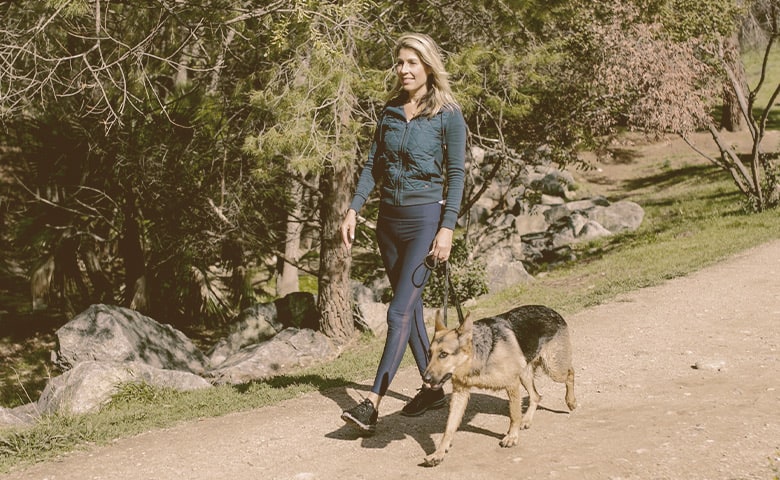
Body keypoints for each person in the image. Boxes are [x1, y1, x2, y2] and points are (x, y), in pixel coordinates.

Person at [339, 32, 467, 433]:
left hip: (425, 222)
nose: (404, 70)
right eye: (400, 63)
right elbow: (373, 165)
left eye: (411, 62)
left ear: (428, 65)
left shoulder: (448, 114)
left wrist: (446, 230)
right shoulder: (391, 110)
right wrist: (354, 207)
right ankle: (431, 389)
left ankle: (371, 404)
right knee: (408, 309)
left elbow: (457, 175)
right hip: (388, 225)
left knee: (397, 311)